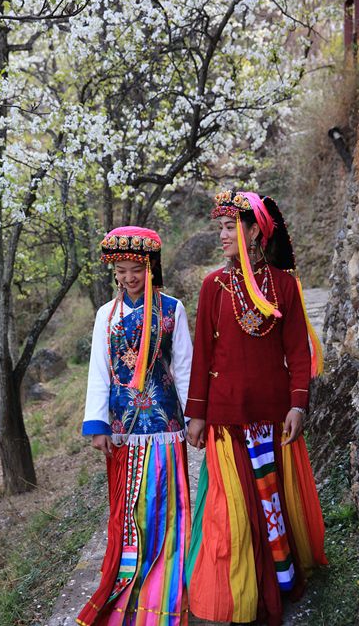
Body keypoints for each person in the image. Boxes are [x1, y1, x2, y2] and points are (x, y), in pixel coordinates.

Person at [185, 190, 327, 626]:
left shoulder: (283, 286)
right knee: (232, 510)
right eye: (220, 228)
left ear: (253, 232)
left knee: (272, 504)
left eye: (231, 227)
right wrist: (197, 414)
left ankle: (280, 578)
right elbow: (203, 356)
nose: (223, 235)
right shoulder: (213, 287)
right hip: (226, 417)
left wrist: (298, 406)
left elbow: (298, 353)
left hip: (272, 417)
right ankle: (239, 587)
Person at [77, 226, 192, 626]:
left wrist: (195, 418)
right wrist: (97, 425)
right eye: (121, 271)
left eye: (136, 270)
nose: (128, 278)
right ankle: (130, 586)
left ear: (151, 267)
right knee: (128, 514)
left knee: (167, 509)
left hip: (164, 425)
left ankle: (165, 592)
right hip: (122, 429)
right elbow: (99, 371)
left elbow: (183, 367)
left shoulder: (172, 310)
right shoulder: (105, 316)